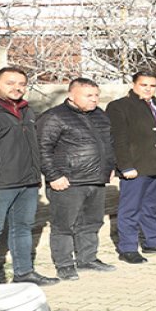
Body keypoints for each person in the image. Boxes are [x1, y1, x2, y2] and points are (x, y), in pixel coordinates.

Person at [34, 77, 115, 281]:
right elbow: (42, 149)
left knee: (92, 223)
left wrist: (109, 166)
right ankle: (64, 264)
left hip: (96, 179)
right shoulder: (54, 117)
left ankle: (87, 259)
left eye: (96, 95)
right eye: (88, 95)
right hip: (67, 181)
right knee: (64, 225)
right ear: (71, 95)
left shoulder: (100, 115)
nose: (94, 99)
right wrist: (53, 175)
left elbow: (108, 143)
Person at [107, 71, 156, 262]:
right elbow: (118, 139)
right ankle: (128, 247)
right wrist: (125, 166)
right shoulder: (120, 106)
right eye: (144, 85)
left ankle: (152, 241)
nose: (148, 89)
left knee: (152, 205)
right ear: (134, 85)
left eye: (152, 85)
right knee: (130, 208)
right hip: (137, 165)